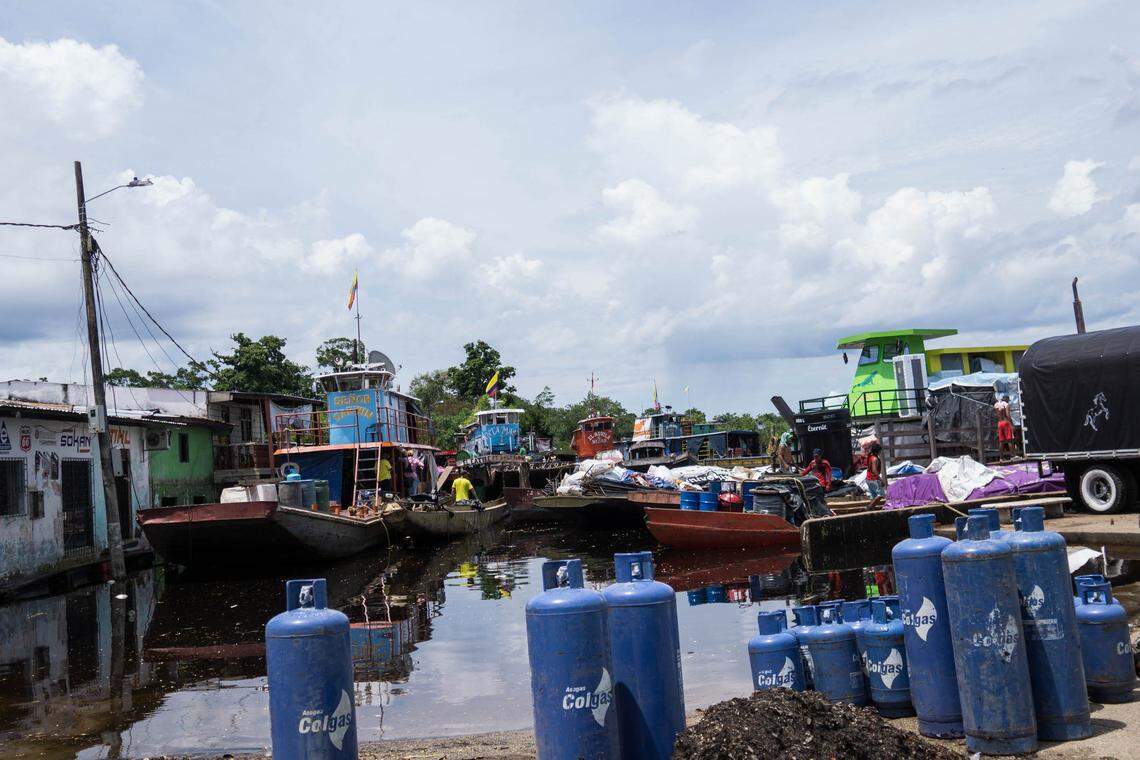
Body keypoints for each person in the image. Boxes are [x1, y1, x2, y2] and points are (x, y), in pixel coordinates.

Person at [995, 395, 1015, 461]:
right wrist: (1011, 424)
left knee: (1001, 441)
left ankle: (1001, 458)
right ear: (1006, 399)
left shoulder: (996, 405)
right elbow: (1008, 415)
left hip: (999, 423)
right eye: (1008, 400)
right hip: (1006, 422)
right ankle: (1012, 456)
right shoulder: (1006, 404)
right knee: (1010, 440)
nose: (1008, 401)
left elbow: (997, 415)